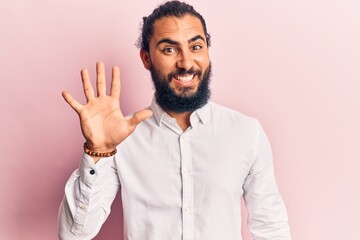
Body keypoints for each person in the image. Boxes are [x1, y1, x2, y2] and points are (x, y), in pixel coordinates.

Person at [58, 1, 291, 239]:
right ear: (146, 58)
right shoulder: (121, 139)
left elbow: (272, 229)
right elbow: (72, 234)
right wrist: (98, 151)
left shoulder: (246, 132)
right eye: (170, 50)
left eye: (196, 47)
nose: (187, 63)